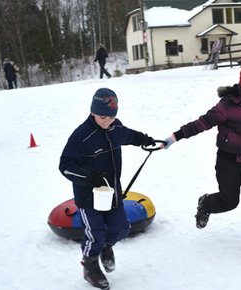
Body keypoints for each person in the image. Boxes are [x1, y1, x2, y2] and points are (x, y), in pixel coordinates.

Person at [161, 51, 241, 256]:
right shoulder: (227, 106)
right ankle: (205, 203)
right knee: (229, 201)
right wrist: (175, 136)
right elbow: (202, 123)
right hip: (227, 160)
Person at [59, 88, 156, 289]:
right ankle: (90, 266)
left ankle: (105, 247)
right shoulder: (81, 136)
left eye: (112, 117)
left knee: (120, 229)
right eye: (103, 117)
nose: (107, 121)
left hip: (112, 193)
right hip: (88, 196)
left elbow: (128, 135)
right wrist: (89, 176)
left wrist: (145, 140)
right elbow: (65, 166)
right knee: (94, 233)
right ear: (93, 112)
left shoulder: (115, 127)